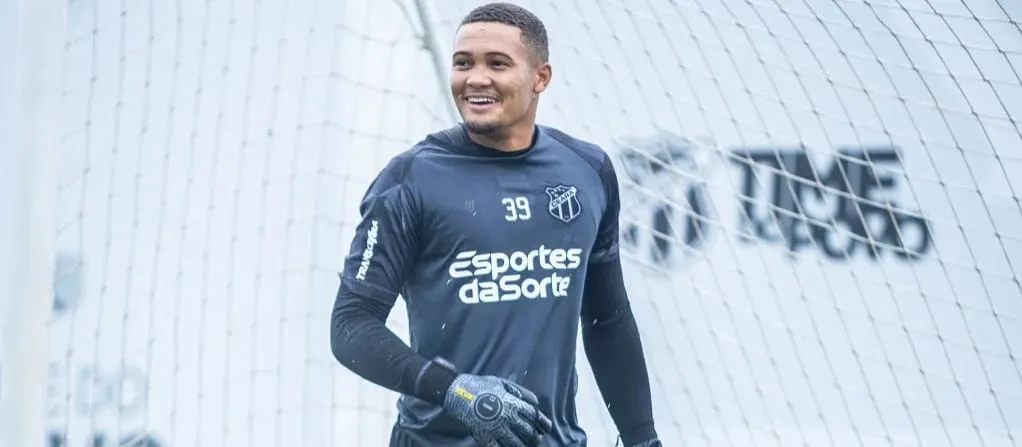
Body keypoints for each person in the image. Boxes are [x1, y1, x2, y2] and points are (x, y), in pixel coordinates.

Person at [330, 2, 660, 446]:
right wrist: (454, 391)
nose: (475, 78)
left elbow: (607, 318)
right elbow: (352, 326)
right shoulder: (409, 179)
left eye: (497, 64)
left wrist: (642, 438)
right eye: (463, 63)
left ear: (540, 77)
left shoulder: (587, 169)